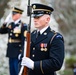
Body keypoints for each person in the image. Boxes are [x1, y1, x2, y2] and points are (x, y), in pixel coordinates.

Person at [21, 3, 65, 75]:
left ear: (47, 19)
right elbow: (23, 56)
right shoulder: (32, 35)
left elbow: (56, 63)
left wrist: (34, 65)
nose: (35, 20)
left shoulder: (55, 38)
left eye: (38, 17)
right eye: (34, 17)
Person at [0, 7, 27, 75]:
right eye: (12, 14)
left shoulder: (23, 26)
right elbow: (1, 31)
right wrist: (5, 23)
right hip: (10, 51)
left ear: (19, 15)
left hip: (17, 51)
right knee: (11, 71)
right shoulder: (10, 25)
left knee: (17, 71)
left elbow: (24, 41)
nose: (13, 15)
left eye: (14, 14)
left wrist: (22, 52)